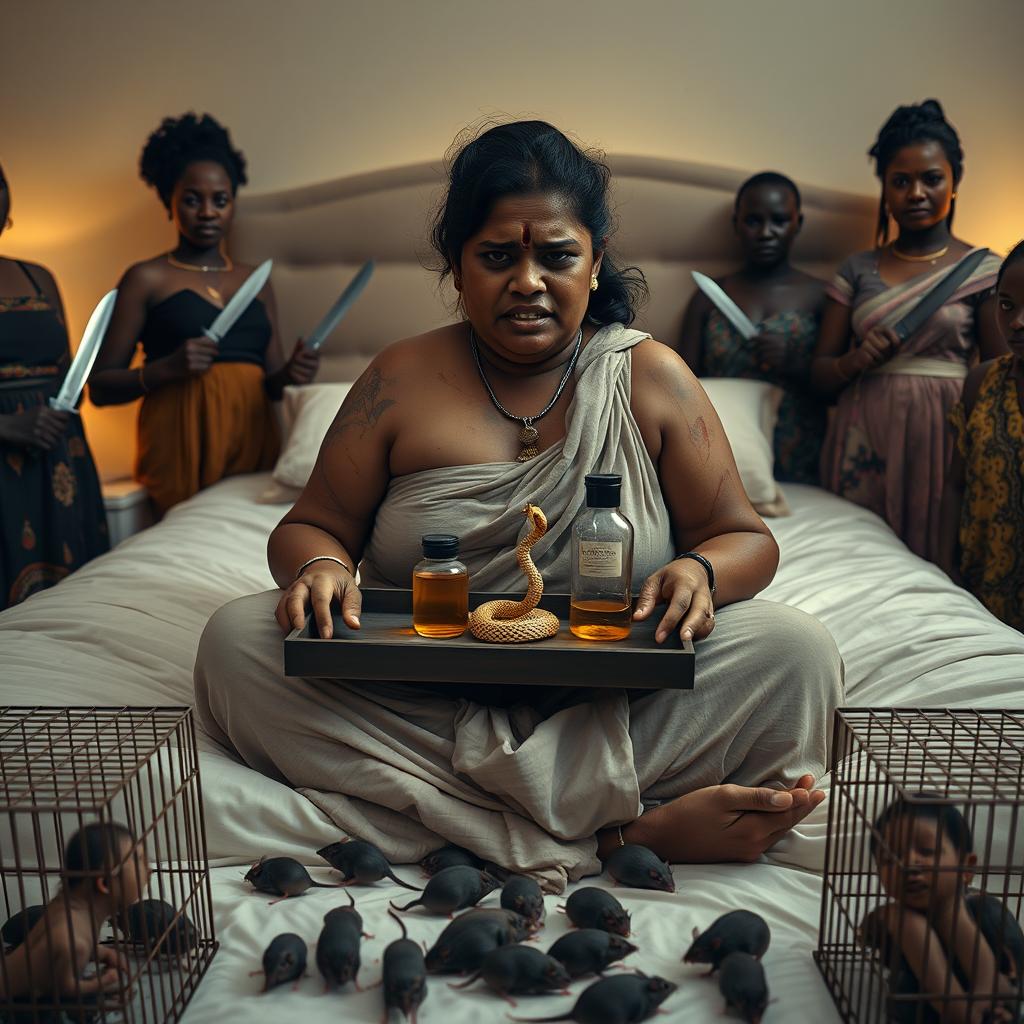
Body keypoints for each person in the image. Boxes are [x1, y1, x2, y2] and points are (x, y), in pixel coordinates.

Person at [193, 121, 844, 889]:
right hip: (418, 691)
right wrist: (324, 566)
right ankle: (623, 833)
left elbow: (745, 538)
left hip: (619, 690)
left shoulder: (652, 377)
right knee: (236, 644)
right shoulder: (398, 379)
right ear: (458, 268)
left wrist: (703, 571)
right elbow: (313, 524)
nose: (528, 281)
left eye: (557, 256)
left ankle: (449, 820)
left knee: (795, 653)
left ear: (595, 262)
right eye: (498, 256)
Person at [88, 113, 319, 514]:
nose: (208, 212)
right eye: (192, 200)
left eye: (220, 200)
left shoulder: (256, 280)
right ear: (169, 204)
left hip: (252, 444)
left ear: (233, 205)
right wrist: (167, 369)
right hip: (178, 446)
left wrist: (293, 374)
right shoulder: (146, 278)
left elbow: (272, 384)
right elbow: (100, 388)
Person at [811, 100, 1006, 561]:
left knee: (940, 556)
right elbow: (818, 376)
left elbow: (1001, 376)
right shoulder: (857, 269)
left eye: (931, 179)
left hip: (946, 435)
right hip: (865, 434)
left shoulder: (984, 270)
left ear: (954, 183)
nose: (916, 192)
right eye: (901, 181)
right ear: (885, 189)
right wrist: (854, 361)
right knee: (862, 559)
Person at [0, 161, 109, 608]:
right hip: (6, 452)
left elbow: (67, 368)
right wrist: (9, 427)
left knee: (70, 603)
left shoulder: (38, 276)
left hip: (60, 455)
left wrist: (70, 395)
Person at [678, 172, 827, 484]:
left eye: (779, 220)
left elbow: (837, 387)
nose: (766, 232)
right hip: (725, 453)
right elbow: (683, 389)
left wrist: (794, 364)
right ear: (736, 224)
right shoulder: (708, 296)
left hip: (800, 458)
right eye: (753, 221)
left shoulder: (821, 296)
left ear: (798, 223)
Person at [860, 797, 1021, 1024]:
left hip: (1000, 982)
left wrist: (987, 1000)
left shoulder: (982, 912)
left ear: (966, 868)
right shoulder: (895, 917)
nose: (909, 864)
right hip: (928, 1008)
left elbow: (987, 972)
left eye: (927, 851)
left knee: (973, 911)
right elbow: (869, 933)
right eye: (890, 857)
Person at [939, 242, 1024, 630]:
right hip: (982, 583)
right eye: (1007, 306)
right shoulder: (983, 381)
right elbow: (956, 484)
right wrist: (944, 571)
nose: (1018, 322)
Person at [0, 822, 149, 1007]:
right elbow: (64, 990)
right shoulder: (74, 941)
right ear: (105, 884)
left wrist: (100, 952)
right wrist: (104, 981)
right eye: (138, 860)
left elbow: (50, 957)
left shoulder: (63, 907)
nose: (148, 870)